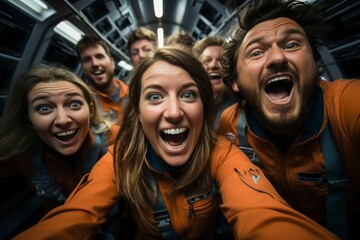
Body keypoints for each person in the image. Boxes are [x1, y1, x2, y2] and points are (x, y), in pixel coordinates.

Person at [12, 46, 338, 240]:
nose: (173, 112)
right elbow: (75, 217)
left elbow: (262, 213)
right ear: (136, 112)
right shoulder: (120, 157)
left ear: (203, 109)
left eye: (188, 95)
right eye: (155, 96)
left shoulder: (222, 154)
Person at [218, 0, 360, 239]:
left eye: (292, 44)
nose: (277, 57)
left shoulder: (346, 104)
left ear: (315, 65)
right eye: (256, 52)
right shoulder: (229, 126)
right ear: (235, 82)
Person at [0, 67, 119, 234]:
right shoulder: (19, 153)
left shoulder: (116, 139)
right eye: (44, 108)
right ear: (28, 120)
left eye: (74, 104)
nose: (63, 120)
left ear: (90, 110)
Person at [75, 36, 128, 124]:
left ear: (112, 63)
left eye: (99, 57)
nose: (94, 64)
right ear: (83, 69)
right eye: (87, 60)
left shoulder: (134, 94)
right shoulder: (83, 104)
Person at [193, 36, 237, 129]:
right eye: (207, 61)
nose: (213, 65)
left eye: (222, 60)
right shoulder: (192, 110)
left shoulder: (241, 111)